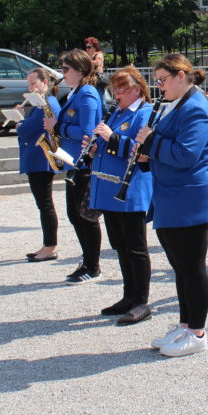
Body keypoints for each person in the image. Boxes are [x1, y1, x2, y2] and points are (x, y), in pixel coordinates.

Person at [135, 54, 208, 358]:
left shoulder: (196, 108)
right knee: (180, 268)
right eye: (157, 81)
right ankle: (185, 325)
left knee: (192, 268)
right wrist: (148, 152)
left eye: (163, 80)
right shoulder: (178, 105)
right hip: (172, 194)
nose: (159, 87)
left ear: (181, 76)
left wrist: (151, 141)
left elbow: (186, 154)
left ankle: (198, 333)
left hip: (189, 196)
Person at [88, 66, 156, 325]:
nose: (116, 93)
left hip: (131, 190)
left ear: (138, 89)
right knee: (120, 246)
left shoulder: (144, 113)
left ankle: (141, 302)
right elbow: (108, 146)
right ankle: (128, 296)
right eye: (114, 88)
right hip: (108, 189)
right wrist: (94, 150)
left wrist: (111, 137)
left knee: (136, 248)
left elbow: (141, 150)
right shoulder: (116, 111)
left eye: (122, 88)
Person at [44, 49, 103, 283]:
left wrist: (59, 127)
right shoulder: (76, 92)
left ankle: (93, 265)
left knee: (84, 215)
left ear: (79, 71)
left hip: (84, 162)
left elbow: (88, 132)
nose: (62, 73)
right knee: (74, 214)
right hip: (73, 160)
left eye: (66, 69)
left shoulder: (87, 93)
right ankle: (88, 261)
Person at [16, 68, 62, 262]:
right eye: (28, 84)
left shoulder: (46, 103)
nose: (30, 87)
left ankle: (50, 246)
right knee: (43, 204)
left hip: (41, 159)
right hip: (37, 158)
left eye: (33, 83)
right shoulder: (42, 103)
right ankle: (47, 244)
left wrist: (18, 120)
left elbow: (26, 129)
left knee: (45, 204)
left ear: (44, 83)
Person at [83, 37, 110, 101]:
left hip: (98, 80)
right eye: (86, 47)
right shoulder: (87, 56)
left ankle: (105, 111)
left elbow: (97, 63)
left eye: (89, 47)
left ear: (95, 47)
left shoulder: (99, 54)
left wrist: (85, 61)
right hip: (89, 81)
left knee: (101, 101)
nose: (87, 49)